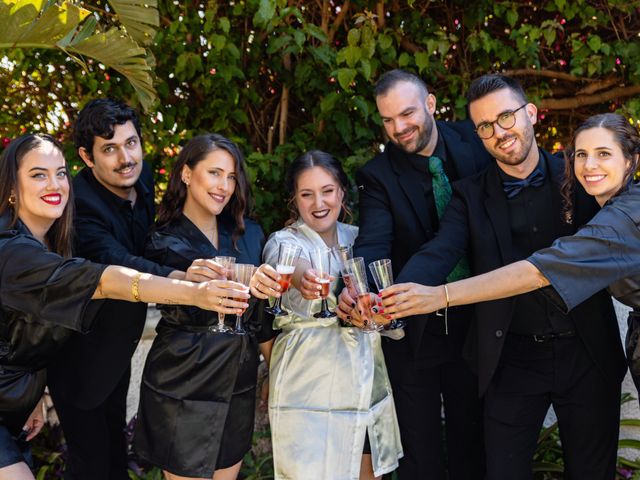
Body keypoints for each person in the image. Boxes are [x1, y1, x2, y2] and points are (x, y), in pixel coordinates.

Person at [374, 75, 626, 480]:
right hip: (511, 359)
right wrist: (392, 295)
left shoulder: (579, 173)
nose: (499, 132)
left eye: (506, 117)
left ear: (530, 114)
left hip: (587, 354)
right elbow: (439, 252)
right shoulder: (468, 195)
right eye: (485, 127)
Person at [0, 133, 249, 480]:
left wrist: (33, 391)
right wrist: (193, 291)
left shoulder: (54, 243)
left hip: (14, 407)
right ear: (12, 188)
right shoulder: (13, 251)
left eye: (60, 173)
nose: (54, 184)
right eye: (38, 174)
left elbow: (20, 332)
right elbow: (105, 279)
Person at [382, 112, 640, 395]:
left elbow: (536, 272)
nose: (590, 165)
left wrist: (438, 296)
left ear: (631, 160)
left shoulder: (623, 219)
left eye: (603, 153)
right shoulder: (620, 207)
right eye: (581, 154)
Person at [336, 69, 491, 479]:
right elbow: (372, 243)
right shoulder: (377, 175)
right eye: (388, 120)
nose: (399, 128)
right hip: (414, 334)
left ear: (431, 103)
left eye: (407, 114)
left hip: (479, 324)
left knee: (473, 445)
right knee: (418, 455)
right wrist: (358, 290)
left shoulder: (478, 142)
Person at [46, 99, 207, 480]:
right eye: (110, 149)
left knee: (114, 460)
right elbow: (120, 262)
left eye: (131, 143)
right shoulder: (78, 206)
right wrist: (185, 278)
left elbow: (148, 241)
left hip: (117, 348)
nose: (125, 158)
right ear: (87, 157)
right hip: (79, 361)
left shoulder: (142, 175)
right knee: (93, 469)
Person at [251, 151, 403, 480]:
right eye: (307, 194)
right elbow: (291, 269)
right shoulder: (283, 241)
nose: (318, 202)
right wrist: (310, 280)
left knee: (368, 470)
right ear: (294, 199)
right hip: (308, 384)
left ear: (342, 193)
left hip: (362, 380)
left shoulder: (360, 237)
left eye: (327, 191)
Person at [132, 134, 276, 480]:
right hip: (183, 380)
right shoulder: (161, 240)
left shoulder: (250, 234)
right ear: (186, 173)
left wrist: (274, 369)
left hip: (237, 379)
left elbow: (261, 317)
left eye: (231, 177)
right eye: (214, 173)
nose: (224, 186)